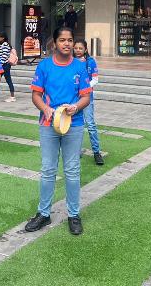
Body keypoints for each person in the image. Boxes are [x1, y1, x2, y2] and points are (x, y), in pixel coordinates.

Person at [25, 27, 92, 236]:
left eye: (70, 40)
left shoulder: (80, 67)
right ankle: (43, 213)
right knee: (48, 170)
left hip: (74, 124)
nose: (67, 44)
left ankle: (74, 214)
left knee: (72, 170)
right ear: (55, 43)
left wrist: (76, 107)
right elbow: (36, 95)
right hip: (48, 125)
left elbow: (86, 97)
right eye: (62, 40)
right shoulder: (44, 66)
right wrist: (46, 109)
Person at [73, 40, 104, 165]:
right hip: (74, 99)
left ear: (85, 49)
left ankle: (96, 152)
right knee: (76, 125)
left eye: (81, 48)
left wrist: (84, 88)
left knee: (90, 125)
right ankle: (76, 151)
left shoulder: (90, 61)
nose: (78, 50)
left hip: (87, 98)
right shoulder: (70, 61)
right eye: (76, 48)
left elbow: (95, 79)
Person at [0, 33, 16, 102]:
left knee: (3, 79)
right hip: (4, 65)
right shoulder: (4, 44)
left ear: (3, 38)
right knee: (3, 79)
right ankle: (12, 96)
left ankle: (12, 97)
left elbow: (4, 57)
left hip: (4, 65)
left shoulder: (5, 45)